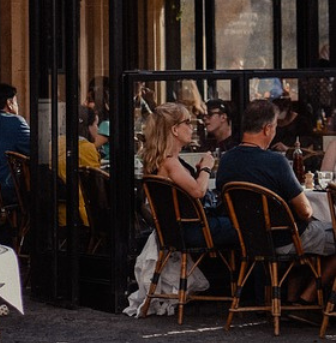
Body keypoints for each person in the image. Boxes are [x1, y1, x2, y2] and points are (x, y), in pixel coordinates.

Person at [217, 98, 336, 298]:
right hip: (285, 240)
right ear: (267, 129)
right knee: (316, 234)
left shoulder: (227, 160)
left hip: (249, 239)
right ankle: (308, 297)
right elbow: (305, 211)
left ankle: (291, 298)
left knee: (310, 237)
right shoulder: (276, 162)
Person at [141, 102, 237, 247]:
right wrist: (206, 168)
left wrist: (199, 173)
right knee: (245, 225)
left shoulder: (162, 160)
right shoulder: (170, 163)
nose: (191, 127)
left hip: (176, 230)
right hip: (192, 231)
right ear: (175, 130)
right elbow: (198, 191)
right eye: (187, 122)